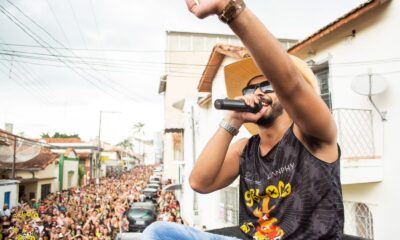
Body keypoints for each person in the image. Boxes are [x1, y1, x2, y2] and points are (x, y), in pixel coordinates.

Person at [150, 0, 345, 239]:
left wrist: (228, 8)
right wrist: (233, 120)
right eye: (250, 89)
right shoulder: (245, 149)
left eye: (267, 85)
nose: (258, 93)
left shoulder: (313, 136)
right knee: (160, 231)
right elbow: (200, 182)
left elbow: (291, 85)